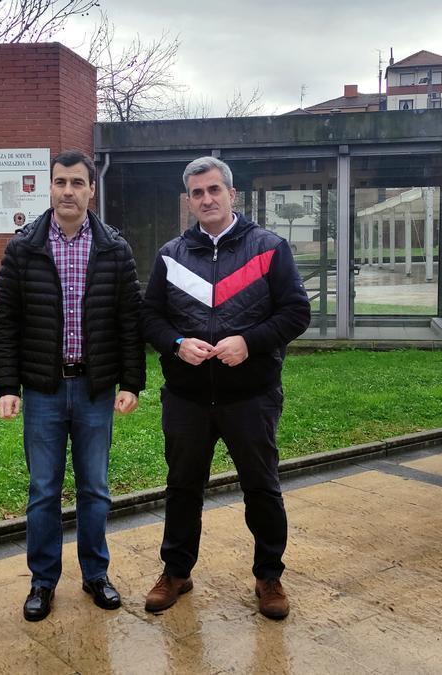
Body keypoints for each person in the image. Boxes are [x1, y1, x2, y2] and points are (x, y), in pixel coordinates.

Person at [140, 156, 310, 620]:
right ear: (189, 200)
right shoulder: (171, 255)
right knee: (181, 488)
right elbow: (149, 317)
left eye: (214, 190)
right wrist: (176, 343)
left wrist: (249, 342)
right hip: (188, 398)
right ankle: (176, 572)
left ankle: (269, 575)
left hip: (250, 397)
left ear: (232, 194)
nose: (206, 199)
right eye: (197, 193)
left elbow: (296, 313)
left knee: (261, 488)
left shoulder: (269, 248)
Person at [0, 150, 145, 621]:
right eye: (60, 182)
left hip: (96, 390)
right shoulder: (24, 247)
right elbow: (6, 321)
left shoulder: (114, 248)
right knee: (43, 490)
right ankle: (43, 581)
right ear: (49, 187)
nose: (68, 191)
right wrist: (7, 386)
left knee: (95, 489)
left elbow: (129, 321)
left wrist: (131, 382)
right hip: (42, 390)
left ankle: (96, 574)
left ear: (91, 190)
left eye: (78, 183)